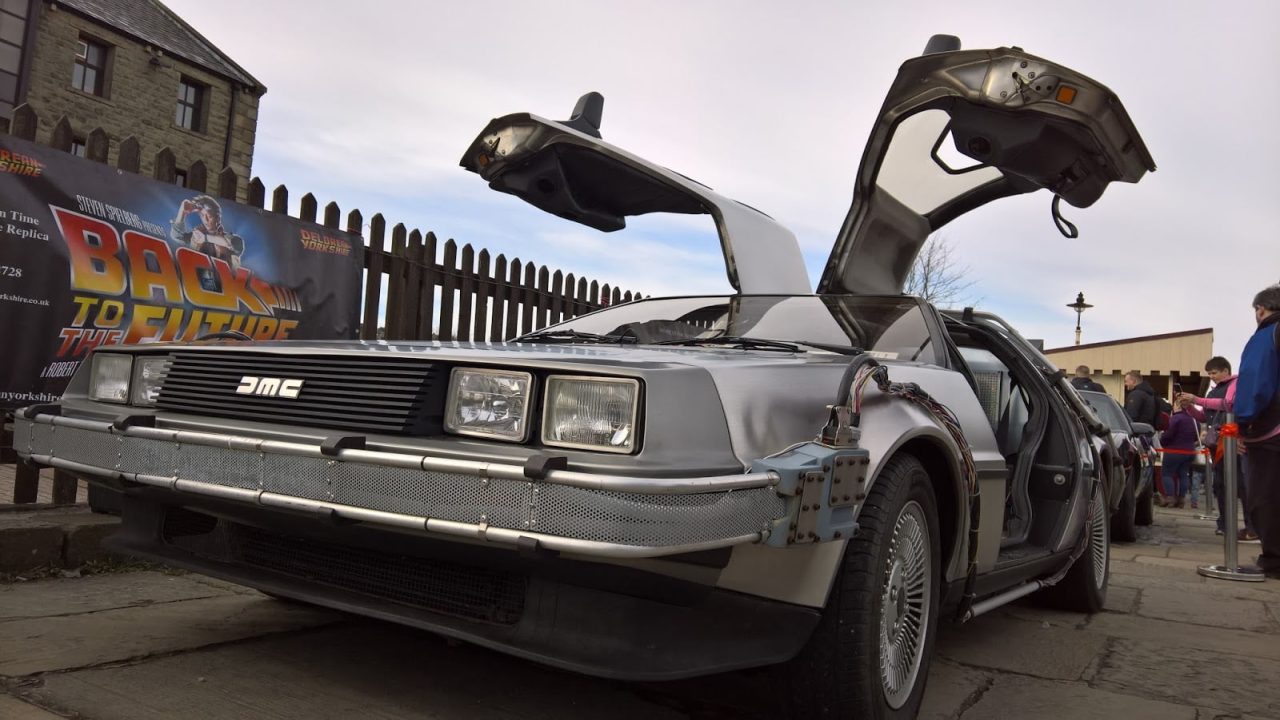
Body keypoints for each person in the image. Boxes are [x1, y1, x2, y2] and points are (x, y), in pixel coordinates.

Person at [1179, 357, 1257, 539]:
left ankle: (1251, 526)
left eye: (1214, 373)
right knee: (1220, 485)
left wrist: (1197, 399)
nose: (1212, 377)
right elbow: (1204, 417)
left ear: (1225, 370)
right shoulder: (1212, 392)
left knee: (1242, 485)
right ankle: (1224, 523)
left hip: (1235, 441)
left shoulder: (1236, 384)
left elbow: (1229, 404)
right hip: (1218, 442)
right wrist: (1190, 407)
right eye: (1209, 374)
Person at [1236, 285, 1280, 577]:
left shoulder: (1268, 334)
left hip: (1271, 433)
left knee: (1265, 498)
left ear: (1261, 309)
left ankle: (1274, 560)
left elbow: (1255, 381)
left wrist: (1243, 423)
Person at [1158, 397, 1199, 508]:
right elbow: (1197, 436)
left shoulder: (1175, 419)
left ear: (1178, 406)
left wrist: (1162, 441)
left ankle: (1170, 498)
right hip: (1189, 451)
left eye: (1174, 405)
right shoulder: (1193, 419)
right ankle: (1181, 499)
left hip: (1174, 450)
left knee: (1167, 474)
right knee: (1183, 475)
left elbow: (1168, 434)